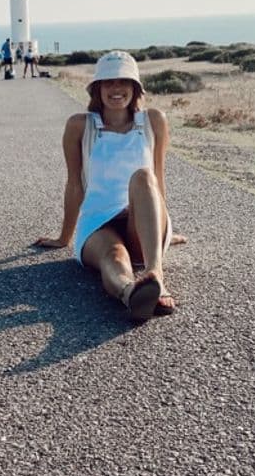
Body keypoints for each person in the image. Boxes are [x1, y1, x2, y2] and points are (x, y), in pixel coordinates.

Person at [34, 50, 185, 321]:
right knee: (113, 257)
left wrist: (163, 228)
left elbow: (159, 179)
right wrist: (64, 237)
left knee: (144, 176)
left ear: (135, 88)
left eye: (123, 82)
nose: (116, 89)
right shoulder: (80, 126)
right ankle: (131, 294)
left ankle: (156, 276)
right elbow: (74, 184)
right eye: (109, 82)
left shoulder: (153, 121)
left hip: (141, 219)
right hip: (98, 221)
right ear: (98, 88)